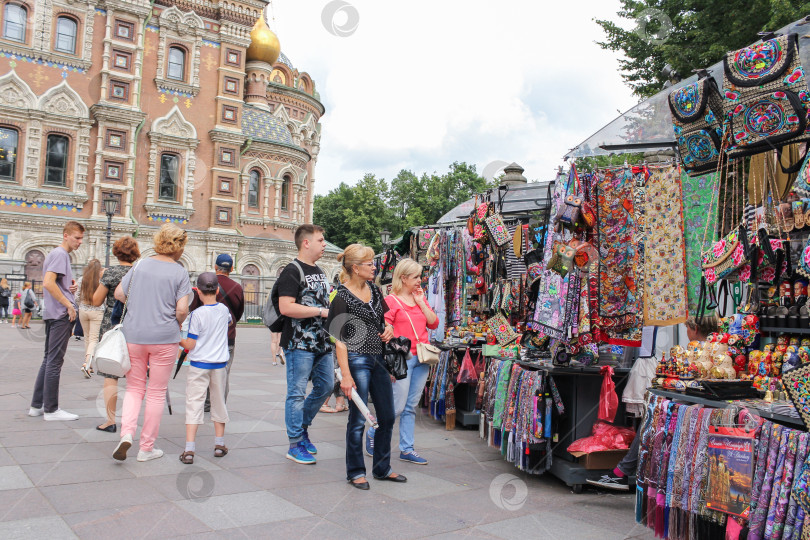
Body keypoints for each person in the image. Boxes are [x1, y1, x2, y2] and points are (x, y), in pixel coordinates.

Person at [587, 315, 719, 491]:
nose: (687, 332)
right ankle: (623, 472)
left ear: (694, 329)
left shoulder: (693, 353)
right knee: (653, 415)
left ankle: (622, 473)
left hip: (692, 406)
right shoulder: (715, 351)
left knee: (652, 417)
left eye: (688, 328)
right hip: (694, 402)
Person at [112, 223, 192, 462]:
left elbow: (118, 294)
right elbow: (182, 309)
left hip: (134, 336)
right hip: (164, 338)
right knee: (156, 393)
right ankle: (146, 448)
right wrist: (177, 321)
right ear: (178, 246)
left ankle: (126, 434)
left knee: (135, 388)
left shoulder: (140, 265)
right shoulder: (179, 272)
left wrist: (139, 304)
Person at [327, 243, 404, 489]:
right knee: (359, 419)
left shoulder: (374, 288)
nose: (374, 267)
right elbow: (339, 340)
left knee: (387, 416)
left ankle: (382, 468)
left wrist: (389, 328)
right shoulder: (341, 296)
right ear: (355, 268)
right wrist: (345, 377)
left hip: (379, 358)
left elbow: (383, 321)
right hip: (356, 357)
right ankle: (356, 472)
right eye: (369, 263)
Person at [365, 258, 438, 465]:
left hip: (423, 357)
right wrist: (387, 365)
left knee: (411, 406)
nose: (419, 280)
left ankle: (407, 448)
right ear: (403, 278)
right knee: (397, 406)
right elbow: (385, 334)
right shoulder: (391, 301)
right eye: (415, 277)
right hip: (401, 359)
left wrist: (422, 303)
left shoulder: (419, 299)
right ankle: (374, 431)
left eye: (420, 276)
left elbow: (433, 323)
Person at [278, 224, 333, 465]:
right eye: (321, 240)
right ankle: (294, 443)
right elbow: (286, 307)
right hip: (298, 342)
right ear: (306, 243)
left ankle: (302, 427)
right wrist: (321, 312)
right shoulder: (292, 270)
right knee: (296, 393)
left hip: (321, 341)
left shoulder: (320, 270)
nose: (324, 244)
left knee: (327, 386)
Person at [28, 221, 84, 421]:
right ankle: (51, 409)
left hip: (52, 313)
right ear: (66, 235)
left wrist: (69, 288)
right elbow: (48, 283)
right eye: (77, 237)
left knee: (48, 359)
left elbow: (55, 283)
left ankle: (37, 405)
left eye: (81, 238)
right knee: (54, 362)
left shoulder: (56, 254)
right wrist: (68, 304)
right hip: (61, 314)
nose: (79, 242)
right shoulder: (61, 254)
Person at [179, 272, 231, 464]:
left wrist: (178, 338)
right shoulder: (224, 310)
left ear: (198, 292)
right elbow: (228, 323)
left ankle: (190, 449)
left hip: (199, 364)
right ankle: (219, 444)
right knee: (219, 402)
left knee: (194, 403)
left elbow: (190, 345)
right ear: (217, 290)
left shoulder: (197, 314)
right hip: (219, 365)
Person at [91, 236, 140, 433]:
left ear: (116, 252)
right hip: (136, 327)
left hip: (113, 327)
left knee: (111, 375)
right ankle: (130, 422)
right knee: (134, 377)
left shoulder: (111, 273)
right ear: (135, 253)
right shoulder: (139, 273)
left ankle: (110, 421)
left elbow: (96, 301)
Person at [189, 253, 244, 411]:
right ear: (232, 268)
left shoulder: (205, 284)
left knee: (203, 367)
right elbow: (238, 314)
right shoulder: (237, 288)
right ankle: (219, 404)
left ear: (215, 267)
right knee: (223, 371)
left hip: (204, 337)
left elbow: (194, 310)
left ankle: (205, 403)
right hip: (227, 336)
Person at [78, 260, 104, 377]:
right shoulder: (101, 281)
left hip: (83, 310)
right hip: (97, 311)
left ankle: (89, 365)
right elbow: (105, 298)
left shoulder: (81, 280)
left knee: (87, 337)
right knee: (94, 338)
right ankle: (86, 364)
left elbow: (76, 296)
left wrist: (82, 304)